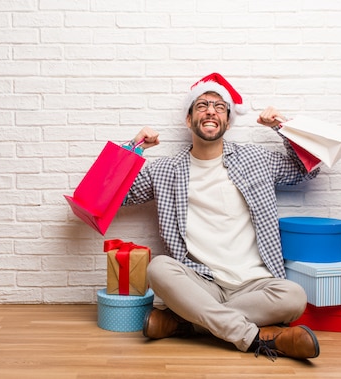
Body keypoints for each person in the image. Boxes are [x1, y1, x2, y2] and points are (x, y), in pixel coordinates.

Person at [121, 73, 320, 360]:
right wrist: (135, 146)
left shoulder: (256, 159)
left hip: (256, 285)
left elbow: (309, 169)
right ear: (189, 120)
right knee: (158, 268)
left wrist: (281, 126)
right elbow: (115, 196)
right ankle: (256, 338)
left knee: (294, 296)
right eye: (202, 105)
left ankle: (185, 323)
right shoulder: (164, 171)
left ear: (227, 120)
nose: (211, 110)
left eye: (219, 106)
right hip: (202, 283)